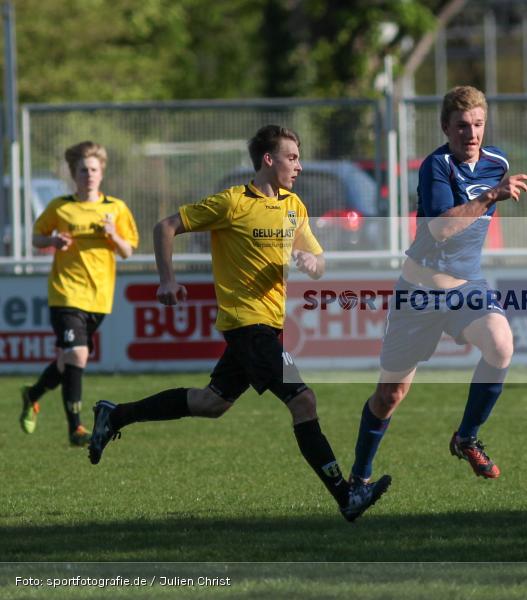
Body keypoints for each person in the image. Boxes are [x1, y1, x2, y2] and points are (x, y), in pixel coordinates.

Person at [86, 125, 390, 522]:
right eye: (292, 157)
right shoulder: (232, 203)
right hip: (247, 324)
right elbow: (165, 227)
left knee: (212, 403)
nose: (298, 166)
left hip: (269, 324)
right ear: (269, 159)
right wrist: (167, 280)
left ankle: (115, 414)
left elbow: (317, 260)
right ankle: (345, 496)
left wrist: (313, 263)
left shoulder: (294, 207)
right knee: (303, 400)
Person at [350, 86, 527, 485]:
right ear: (446, 127)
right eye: (463, 126)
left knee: (501, 345)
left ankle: (467, 437)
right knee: (389, 397)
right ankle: (359, 481)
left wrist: (491, 191)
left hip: (468, 286)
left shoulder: (496, 161)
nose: (472, 134)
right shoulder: (437, 166)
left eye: (479, 124)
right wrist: (491, 196)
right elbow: (442, 228)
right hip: (420, 293)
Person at [19, 141, 138, 447]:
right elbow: (35, 237)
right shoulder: (61, 206)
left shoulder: (116, 208)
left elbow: (127, 250)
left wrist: (113, 235)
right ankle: (76, 428)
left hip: (99, 297)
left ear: (102, 173)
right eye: (83, 170)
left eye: (94, 169)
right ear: (74, 173)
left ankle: (33, 394)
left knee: (67, 362)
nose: (89, 175)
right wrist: (53, 240)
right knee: (77, 354)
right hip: (65, 292)